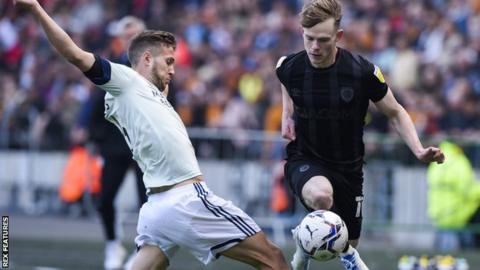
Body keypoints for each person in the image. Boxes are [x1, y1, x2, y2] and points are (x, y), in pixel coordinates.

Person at [14, 1, 289, 269]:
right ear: (146, 59)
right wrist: (37, 9)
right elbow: (75, 54)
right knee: (273, 258)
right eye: (168, 61)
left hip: (157, 209)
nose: (173, 69)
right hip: (186, 199)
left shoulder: (151, 94)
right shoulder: (127, 81)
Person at [275, 0, 445, 269]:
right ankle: (314, 250)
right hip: (306, 157)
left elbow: (396, 112)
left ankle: (304, 242)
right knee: (321, 197)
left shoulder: (361, 72)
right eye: (309, 39)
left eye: (322, 40)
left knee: (347, 242)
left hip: (349, 168)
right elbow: (283, 74)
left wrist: (418, 149)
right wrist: (287, 114)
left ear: (338, 37)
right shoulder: (290, 67)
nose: (314, 47)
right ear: (302, 33)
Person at [79, 16, 147, 270]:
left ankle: (143, 253)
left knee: (147, 206)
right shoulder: (112, 65)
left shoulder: (153, 66)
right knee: (105, 198)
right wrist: (88, 130)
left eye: (134, 34)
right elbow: (95, 101)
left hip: (143, 145)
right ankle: (113, 244)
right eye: (125, 34)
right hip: (116, 143)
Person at [427, 140, 480, 251]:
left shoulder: (437, 161)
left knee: (442, 258)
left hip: (439, 215)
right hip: (457, 215)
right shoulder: (459, 161)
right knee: (464, 257)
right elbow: (468, 191)